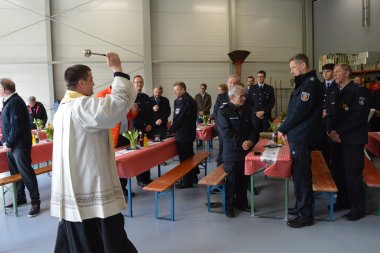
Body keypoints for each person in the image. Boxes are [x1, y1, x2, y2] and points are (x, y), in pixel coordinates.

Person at [51, 53, 138, 253]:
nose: (94, 83)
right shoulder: (81, 106)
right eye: (90, 80)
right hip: (90, 187)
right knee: (106, 239)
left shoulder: (62, 110)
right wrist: (117, 68)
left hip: (74, 191)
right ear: (81, 83)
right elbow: (116, 105)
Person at [278, 54, 322, 228]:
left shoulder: (310, 85)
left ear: (303, 65)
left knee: (302, 177)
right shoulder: (305, 83)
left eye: (293, 68)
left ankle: (306, 215)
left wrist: (283, 128)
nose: (291, 71)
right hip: (299, 135)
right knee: (298, 176)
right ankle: (300, 206)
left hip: (302, 137)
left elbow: (299, 112)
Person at [327, 64, 369, 221]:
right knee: (338, 172)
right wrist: (331, 130)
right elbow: (329, 114)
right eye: (334, 71)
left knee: (352, 174)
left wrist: (339, 132)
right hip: (336, 139)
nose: (334, 74)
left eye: (337, 71)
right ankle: (343, 201)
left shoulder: (358, 91)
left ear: (347, 73)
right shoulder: (334, 91)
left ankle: (357, 208)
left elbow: (357, 117)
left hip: (351, 140)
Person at [0, 78, 41, 217]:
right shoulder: (8, 102)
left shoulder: (15, 102)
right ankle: (21, 198)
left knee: (26, 173)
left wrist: (8, 143)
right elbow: (7, 126)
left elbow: (16, 127)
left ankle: (35, 202)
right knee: (15, 173)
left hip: (19, 146)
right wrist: (4, 142)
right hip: (12, 146)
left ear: (4, 89)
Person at [217, 85, 256, 218]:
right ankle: (229, 206)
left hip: (246, 151)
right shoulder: (223, 111)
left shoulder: (246, 109)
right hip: (232, 152)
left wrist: (250, 140)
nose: (244, 98)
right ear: (232, 97)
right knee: (232, 180)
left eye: (244, 95)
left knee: (244, 179)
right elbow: (226, 133)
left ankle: (242, 203)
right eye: (241, 96)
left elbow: (252, 128)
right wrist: (242, 142)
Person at [96, 86, 138, 198]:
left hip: (125, 135)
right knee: (114, 165)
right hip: (114, 137)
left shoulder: (124, 99)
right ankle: (115, 190)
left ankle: (122, 188)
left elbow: (129, 116)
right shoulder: (105, 96)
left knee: (124, 163)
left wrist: (134, 110)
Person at [169, 81, 198, 189]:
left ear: (182, 89)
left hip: (183, 134)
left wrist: (171, 129)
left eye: (176, 90)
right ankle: (193, 176)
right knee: (189, 156)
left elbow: (179, 118)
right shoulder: (190, 99)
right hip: (188, 133)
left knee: (184, 158)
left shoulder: (184, 101)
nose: (175, 92)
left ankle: (186, 181)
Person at [212, 74, 240, 166]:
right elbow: (216, 112)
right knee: (223, 149)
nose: (232, 84)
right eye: (230, 82)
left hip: (237, 130)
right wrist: (220, 129)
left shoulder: (242, 96)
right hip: (223, 129)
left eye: (234, 83)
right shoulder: (221, 96)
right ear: (227, 84)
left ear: (238, 84)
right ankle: (220, 168)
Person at [131, 75, 153, 187]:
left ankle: (147, 177)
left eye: (140, 82)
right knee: (139, 155)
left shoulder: (146, 97)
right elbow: (134, 116)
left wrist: (149, 124)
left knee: (147, 153)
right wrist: (145, 124)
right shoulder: (131, 97)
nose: (139, 84)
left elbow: (150, 113)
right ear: (133, 83)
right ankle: (140, 179)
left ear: (143, 83)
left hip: (147, 130)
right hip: (136, 130)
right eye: (137, 82)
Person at [316, 63, 339, 168]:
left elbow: (341, 105)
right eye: (323, 72)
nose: (325, 74)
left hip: (333, 122)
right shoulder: (319, 86)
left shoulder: (338, 86)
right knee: (321, 147)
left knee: (333, 149)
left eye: (328, 71)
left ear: (333, 72)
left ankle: (335, 173)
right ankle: (325, 171)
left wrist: (327, 112)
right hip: (320, 123)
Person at [247, 70, 275, 135]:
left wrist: (263, 112)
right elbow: (249, 103)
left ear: (264, 77)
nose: (259, 78)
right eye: (258, 77)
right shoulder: (252, 88)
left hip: (266, 116)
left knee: (266, 135)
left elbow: (272, 102)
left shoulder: (269, 88)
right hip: (255, 117)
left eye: (261, 76)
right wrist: (257, 113)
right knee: (255, 135)